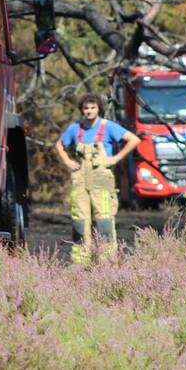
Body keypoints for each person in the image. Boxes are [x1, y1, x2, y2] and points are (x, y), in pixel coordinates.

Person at [55, 93, 141, 263]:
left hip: (102, 178)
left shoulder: (107, 126)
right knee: (79, 220)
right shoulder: (75, 128)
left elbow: (133, 140)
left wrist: (116, 158)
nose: (89, 111)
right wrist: (67, 161)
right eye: (86, 108)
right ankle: (81, 260)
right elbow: (59, 145)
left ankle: (107, 259)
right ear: (81, 110)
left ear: (99, 109)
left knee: (104, 220)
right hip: (80, 179)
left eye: (92, 108)